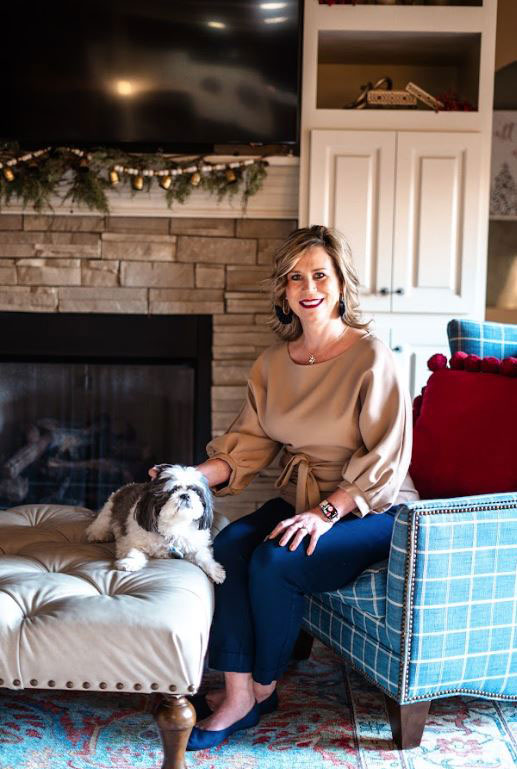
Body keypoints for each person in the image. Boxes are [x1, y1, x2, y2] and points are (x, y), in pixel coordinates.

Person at [149, 225, 419, 751]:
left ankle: (262, 687)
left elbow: (388, 457)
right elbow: (248, 445)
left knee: (275, 561)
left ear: (341, 283)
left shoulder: (370, 356)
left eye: (320, 274)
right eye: (296, 277)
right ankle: (237, 691)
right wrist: (186, 477)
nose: (308, 286)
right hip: (302, 500)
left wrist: (327, 514)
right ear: (284, 290)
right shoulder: (273, 363)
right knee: (226, 546)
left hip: (370, 508)